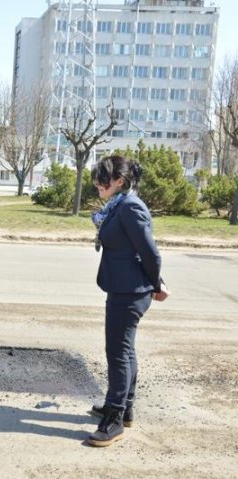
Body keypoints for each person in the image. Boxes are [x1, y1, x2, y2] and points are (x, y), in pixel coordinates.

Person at [87, 154, 170, 447]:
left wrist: (157, 283)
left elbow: (150, 252)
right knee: (125, 349)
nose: (97, 185)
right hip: (123, 287)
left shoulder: (131, 207)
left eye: (102, 181)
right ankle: (126, 408)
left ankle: (113, 418)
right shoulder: (119, 203)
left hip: (130, 291)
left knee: (117, 353)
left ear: (119, 181)